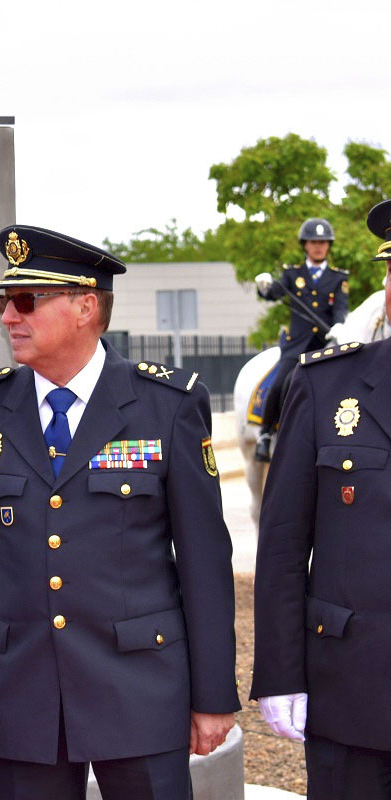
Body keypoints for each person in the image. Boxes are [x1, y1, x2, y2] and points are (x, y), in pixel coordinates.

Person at [0, 225, 239, 799]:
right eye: (3, 302)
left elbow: (205, 559)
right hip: (17, 692)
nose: (7, 317)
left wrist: (213, 694)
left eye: (26, 301)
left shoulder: (165, 405)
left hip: (139, 690)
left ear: (84, 306)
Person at [251, 199, 391, 798]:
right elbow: (284, 545)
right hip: (351, 690)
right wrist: (281, 673)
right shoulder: (326, 385)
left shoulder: (335, 281)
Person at [252, 217, 349, 461]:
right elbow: (274, 293)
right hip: (295, 345)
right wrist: (264, 287)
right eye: (313, 242)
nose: (318, 246)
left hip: (323, 345)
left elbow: (340, 307)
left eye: (323, 242)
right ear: (304, 245)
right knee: (279, 383)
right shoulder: (292, 273)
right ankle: (266, 434)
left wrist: (339, 325)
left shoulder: (339, 278)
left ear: (329, 246)